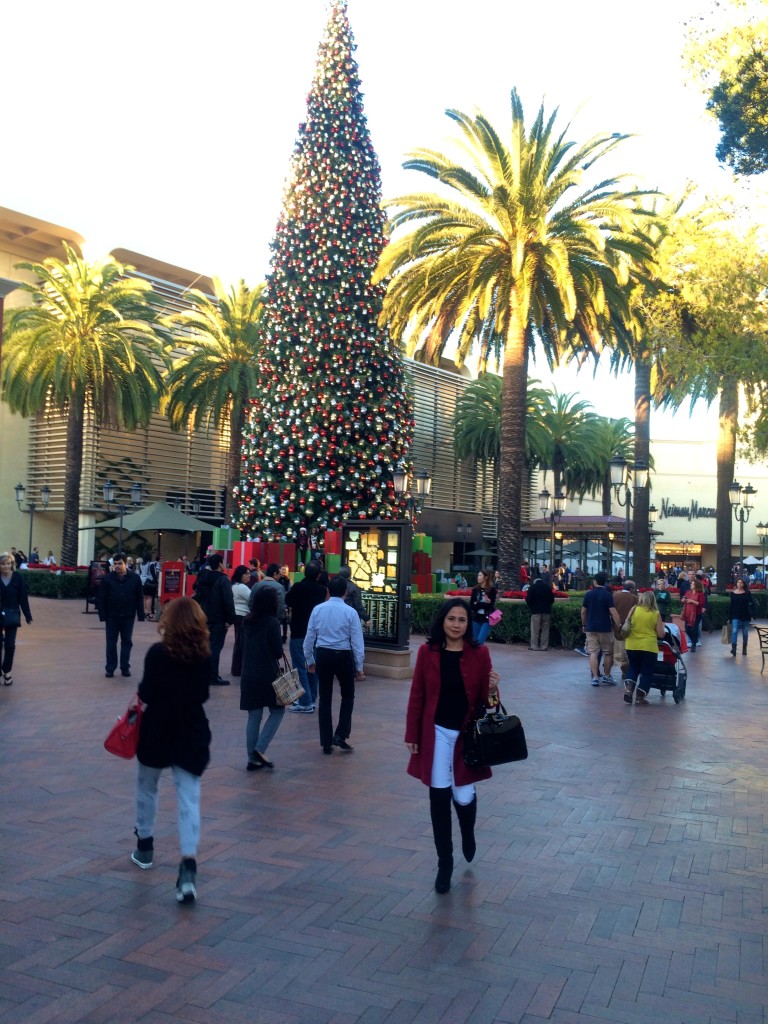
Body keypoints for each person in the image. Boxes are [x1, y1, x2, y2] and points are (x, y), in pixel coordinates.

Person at [404, 598, 501, 894]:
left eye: (461, 620)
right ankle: (444, 861)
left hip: (466, 735)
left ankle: (468, 833)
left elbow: (488, 703)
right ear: (442, 621)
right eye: (451, 619)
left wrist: (494, 689)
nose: (456, 625)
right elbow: (417, 694)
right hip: (435, 733)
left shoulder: (480, 653)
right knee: (438, 796)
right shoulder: (426, 652)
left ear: (467, 624)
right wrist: (412, 735)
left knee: (463, 794)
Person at [131, 596, 211, 904]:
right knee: (188, 798)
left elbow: (146, 692)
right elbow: (202, 695)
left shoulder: (157, 653)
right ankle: (188, 866)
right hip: (191, 730)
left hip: (157, 729)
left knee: (147, 787)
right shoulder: (203, 655)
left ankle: (145, 845)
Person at [304, 575, 365, 755]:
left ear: (328, 591)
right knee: (348, 695)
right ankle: (341, 734)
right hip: (343, 655)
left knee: (325, 697)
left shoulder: (318, 610)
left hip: (323, 654)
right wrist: (359, 666)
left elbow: (309, 638)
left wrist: (309, 660)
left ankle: (326, 742)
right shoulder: (350, 612)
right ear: (346, 592)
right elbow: (357, 641)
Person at [240, 586, 286, 770]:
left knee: (254, 715)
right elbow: (277, 652)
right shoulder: (272, 623)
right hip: (268, 674)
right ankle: (260, 749)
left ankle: (252, 758)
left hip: (248, 673)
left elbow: (242, 647)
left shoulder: (247, 621)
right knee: (278, 711)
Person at [285, 560, 328, 713]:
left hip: (298, 632)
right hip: (316, 633)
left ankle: (305, 702)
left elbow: (287, 600)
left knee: (300, 667)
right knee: (312, 665)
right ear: (318, 575)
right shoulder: (322, 591)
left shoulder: (298, 588)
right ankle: (311, 698)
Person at [96, 552, 145, 678]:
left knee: (127, 642)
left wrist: (141, 614)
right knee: (111, 643)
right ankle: (110, 668)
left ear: (125, 564)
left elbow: (139, 597)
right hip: (112, 616)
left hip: (128, 616)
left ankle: (125, 667)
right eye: (115, 564)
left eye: (120, 563)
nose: (117, 566)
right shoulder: (107, 579)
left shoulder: (135, 578)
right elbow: (101, 597)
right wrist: (102, 615)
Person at [193, 554, 236, 685]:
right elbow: (228, 600)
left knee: (204, 646)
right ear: (219, 564)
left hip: (204, 617)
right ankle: (213, 676)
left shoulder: (203, 578)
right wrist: (230, 618)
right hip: (219, 618)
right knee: (215, 648)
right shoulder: (223, 580)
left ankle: (203, 674)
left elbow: (198, 596)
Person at [623, 591, 666, 705]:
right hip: (649, 646)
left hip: (631, 645)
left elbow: (627, 624)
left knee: (633, 668)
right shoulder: (655, 613)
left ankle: (628, 689)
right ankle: (640, 697)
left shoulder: (633, 609)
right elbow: (661, 634)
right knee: (647, 672)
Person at [581, 571, 621, 686]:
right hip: (605, 628)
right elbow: (613, 612)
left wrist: (584, 624)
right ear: (605, 583)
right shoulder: (608, 595)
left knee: (593, 652)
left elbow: (583, 612)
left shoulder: (588, 594)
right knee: (608, 652)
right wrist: (618, 625)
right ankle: (607, 676)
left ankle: (595, 677)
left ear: (594, 582)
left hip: (591, 627)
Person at [0, 551, 33, 685]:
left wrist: (28, 616)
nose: (6, 566)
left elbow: (23, 598)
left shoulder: (18, 577)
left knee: (10, 645)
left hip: (12, 615)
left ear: (12, 564)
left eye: (8, 564)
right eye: (3, 564)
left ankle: (7, 671)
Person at [612, 580, 638, 681]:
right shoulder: (635, 598)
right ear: (631, 589)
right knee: (629, 651)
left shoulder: (615, 596)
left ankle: (625, 671)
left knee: (620, 651)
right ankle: (628, 672)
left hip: (617, 628)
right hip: (630, 628)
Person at [230, 565, 253, 676]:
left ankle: (236, 668)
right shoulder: (242, 587)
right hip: (242, 615)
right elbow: (252, 599)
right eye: (247, 573)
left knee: (238, 643)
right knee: (241, 643)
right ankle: (238, 669)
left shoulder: (235, 586)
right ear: (241, 575)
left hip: (237, 615)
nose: (249, 575)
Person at [525, 575, 554, 651]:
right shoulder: (548, 587)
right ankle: (544, 646)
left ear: (535, 581)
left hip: (535, 612)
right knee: (545, 629)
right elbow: (552, 600)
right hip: (546, 611)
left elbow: (528, 600)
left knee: (535, 629)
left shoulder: (532, 587)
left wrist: (532, 607)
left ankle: (534, 646)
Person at [728, 578, 756, 657]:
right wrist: (729, 616)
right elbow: (731, 605)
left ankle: (744, 648)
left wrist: (753, 614)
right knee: (734, 630)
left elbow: (752, 603)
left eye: (741, 583)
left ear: (743, 584)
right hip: (735, 615)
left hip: (745, 614)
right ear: (736, 584)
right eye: (738, 582)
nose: (739, 584)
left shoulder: (747, 593)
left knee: (745, 632)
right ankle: (734, 648)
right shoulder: (733, 593)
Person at [469, 569, 497, 644]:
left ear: (485, 577)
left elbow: (490, 605)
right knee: (474, 641)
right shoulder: (475, 590)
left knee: (479, 642)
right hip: (476, 618)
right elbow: (472, 606)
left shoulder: (492, 590)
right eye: (478, 575)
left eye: (480, 575)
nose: (478, 577)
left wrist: (478, 604)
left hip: (487, 619)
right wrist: (484, 604)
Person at [681, 577, 706, 652]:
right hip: (688, 613)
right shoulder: (688, 592)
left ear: (696, 585)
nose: (691, 585)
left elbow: (701, 603)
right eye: (691, 584)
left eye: (692, 584)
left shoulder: (700, 594)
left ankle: (694, 644)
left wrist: (691, 601)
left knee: (694, 629)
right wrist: (684, 600)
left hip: (697, 614)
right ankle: (693, 641)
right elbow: (683, 599)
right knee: (687, 629)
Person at [140, 553, 160, 621]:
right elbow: (153, 573)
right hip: (148, 581)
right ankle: (149, 612)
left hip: (142, 581)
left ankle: (145, 611)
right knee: (149, 597)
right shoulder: (151, 564)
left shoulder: (142, 564)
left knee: (144, 597)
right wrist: (156, 581)